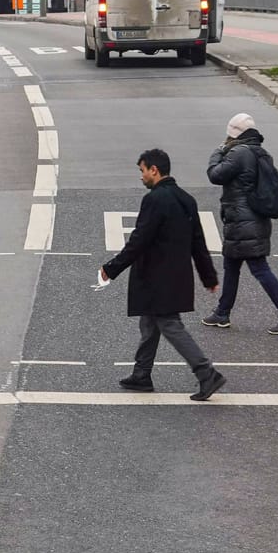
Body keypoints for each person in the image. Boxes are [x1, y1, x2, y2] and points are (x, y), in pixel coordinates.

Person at [100, 148, 226, 400]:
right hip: (175, 276)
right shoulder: (186, 199)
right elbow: (198, 242)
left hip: (156, 277)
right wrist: (208, 276)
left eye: (142, 170)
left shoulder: (155, 200)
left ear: (154, 170)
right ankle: (141, 374)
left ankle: (206, 372)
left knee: (169, 324)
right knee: (149, 322)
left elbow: (139, 240)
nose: (141, 176)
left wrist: (112, 268)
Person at [203, 113, 278, 334]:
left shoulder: (238, 153)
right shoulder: (259, 151)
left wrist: (217, 152)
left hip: (242, 220)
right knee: (231, 265)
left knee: (259, 268)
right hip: (253, 218)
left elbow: (215, 175)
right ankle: (222, 312)